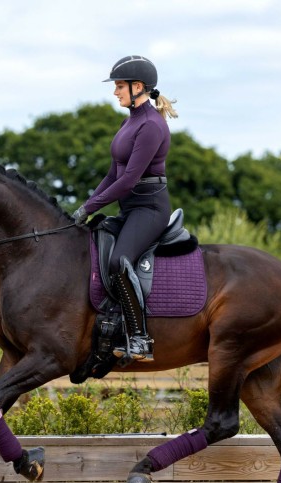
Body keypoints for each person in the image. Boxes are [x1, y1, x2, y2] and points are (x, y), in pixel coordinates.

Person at [72, 55, 178, 362]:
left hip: (149, 208)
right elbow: (112, 174)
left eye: (119, 86)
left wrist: (90, 206)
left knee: (119, 261)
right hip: (129, 208)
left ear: (138, 87)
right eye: (116, 86)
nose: (115, 92)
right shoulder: (129, 121)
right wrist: (85, 208)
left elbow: (130, 179)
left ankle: (139, 338)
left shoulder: (151, 126)